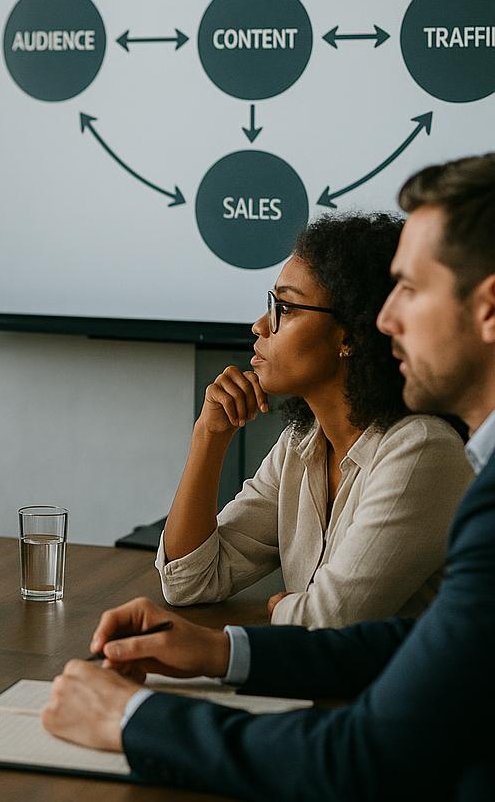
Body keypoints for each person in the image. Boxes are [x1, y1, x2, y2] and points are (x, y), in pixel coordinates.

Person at [41, 152, 495, 799]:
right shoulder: (304, 443)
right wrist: (220, 647)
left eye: (411, 292)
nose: (388, 320)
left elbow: (360, 738)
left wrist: (130, 717)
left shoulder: (439, 458)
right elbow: (419, 635)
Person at [157, 212, 471, 628]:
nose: (260, 325)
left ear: (350, 335)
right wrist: (208, 436)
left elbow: (328, 622)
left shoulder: (421, 450)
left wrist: (283, 607)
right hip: (322, 686)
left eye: (284, 307)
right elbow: (188, 581)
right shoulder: (300, 443)